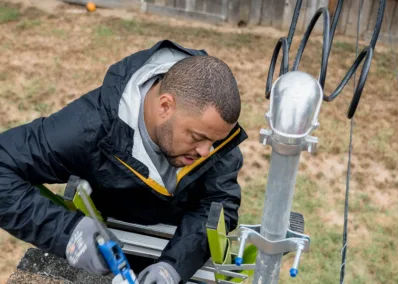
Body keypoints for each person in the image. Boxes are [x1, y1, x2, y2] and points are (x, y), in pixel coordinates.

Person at [0, 40, 247, 283]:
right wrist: (67, 232)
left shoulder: (211, 128)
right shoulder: (91, 126)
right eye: (196, 137)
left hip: (182, 254)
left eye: (213, 142)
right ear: (165, 106)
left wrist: (172, 268)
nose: (206, 152)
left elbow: (218, 202)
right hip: (110, 246)